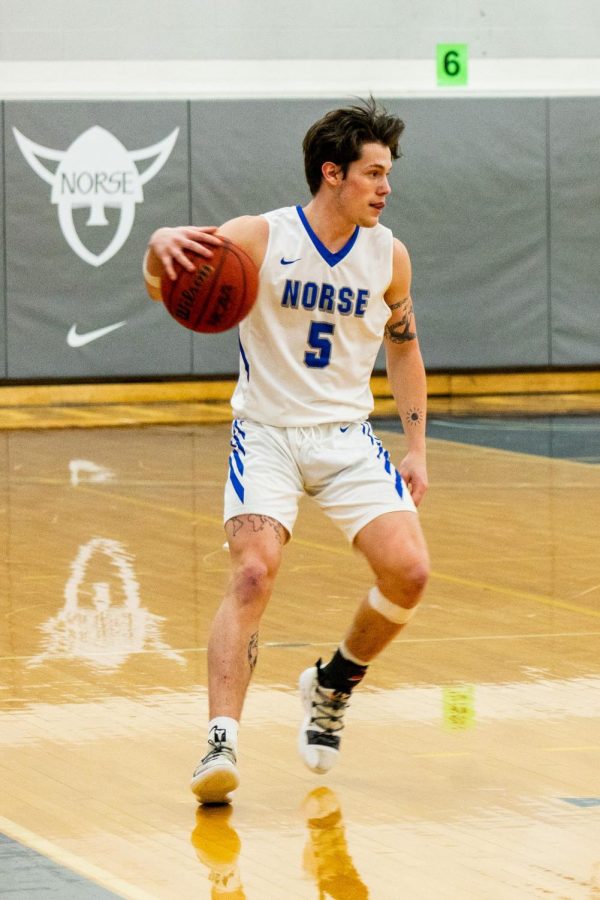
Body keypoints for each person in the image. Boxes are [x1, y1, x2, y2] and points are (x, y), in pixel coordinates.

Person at [144, 97, 430, 805]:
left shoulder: (388, 256)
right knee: (252, 574)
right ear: (332, 173)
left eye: (388, 173)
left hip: (345, 437)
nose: (385, 187)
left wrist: (416, 445)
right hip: (267, 433)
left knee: (411, 573)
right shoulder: (260, 237)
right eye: (372, 173)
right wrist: (156, 249)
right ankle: (220, 740)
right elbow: (168, 282)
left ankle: (331, 684)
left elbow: (404, 347)